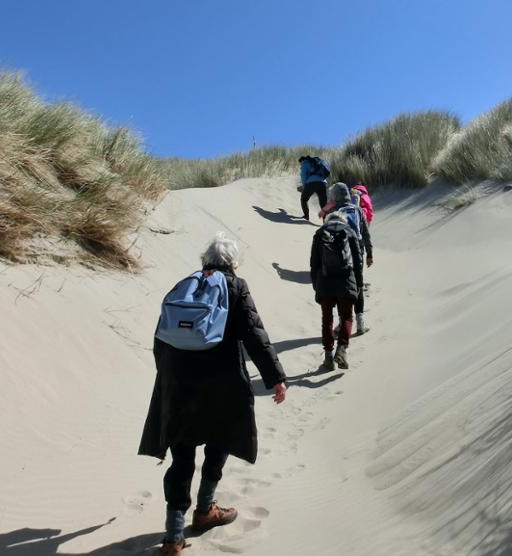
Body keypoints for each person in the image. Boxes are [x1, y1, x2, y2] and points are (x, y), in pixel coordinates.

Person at [139, 233, 288, 556]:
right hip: (222, 385)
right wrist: (275, 377)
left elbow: (160, 337)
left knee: (182, 457)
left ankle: (173, 536)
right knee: (219, 443)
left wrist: (166, 376)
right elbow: (254, 334)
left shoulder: (185, 285)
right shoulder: (236, 287)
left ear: (205, 259)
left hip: (178, 384)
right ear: (233, 263)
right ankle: (205, 510)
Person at [310, 211, 364, 371]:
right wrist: (359, 283)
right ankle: (341, 349)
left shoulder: (320, 234)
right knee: (346, 317)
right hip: (346, 280)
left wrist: (316, 284)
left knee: (327, 319)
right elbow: (357, 260)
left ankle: (328, 358)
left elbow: (314, 263)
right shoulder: (349, 232)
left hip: (325, 282)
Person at [323, 182, 374, 335]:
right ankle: (360, 322)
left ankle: (342, 323)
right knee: (358, 285)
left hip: (339, 254)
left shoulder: (332, 211)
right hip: (358, 251)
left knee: (341, 288)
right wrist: (370, 254)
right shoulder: (357, 209)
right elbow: (365, 233)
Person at [298, 155, 330, 221]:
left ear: (302, 160)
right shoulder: (318, 163)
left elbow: (303, 176)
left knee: (304, 199)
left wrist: (304, 186)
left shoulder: (305, 163)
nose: (300, 165)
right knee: (323, 204)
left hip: (311, 183)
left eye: (300, 163)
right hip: (322, 184)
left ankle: (306, 216)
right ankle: (326, 222)